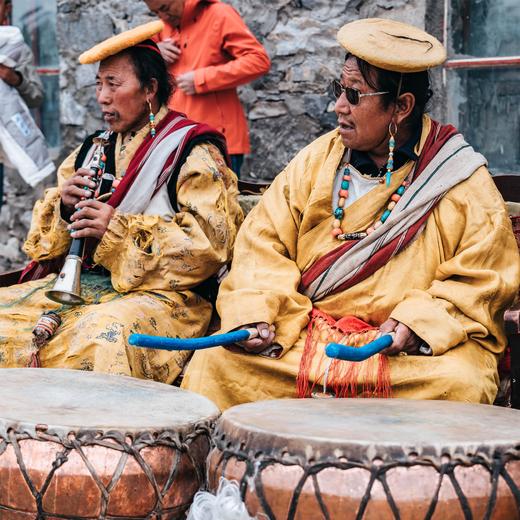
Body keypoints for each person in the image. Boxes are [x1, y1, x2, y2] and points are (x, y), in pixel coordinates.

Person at [182, 18, 520, 410]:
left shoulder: (459, 177)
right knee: (215, 364)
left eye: (354, 95)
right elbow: (262, 244)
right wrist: (258, 313)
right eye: (337, 90)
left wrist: (418, 322)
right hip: (309, 337)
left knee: (459, 382)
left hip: (400, 356)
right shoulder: (316, 160)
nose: (338, 106)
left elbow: (485, 277)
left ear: (402, 107)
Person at [0, 21, 242, 383]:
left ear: (149, 90)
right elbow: (43, 249)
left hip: (166, 297)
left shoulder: (192, 152)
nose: (102, 96)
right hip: (85, 285)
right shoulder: (93, 149)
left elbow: (210, 245)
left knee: (103, 337)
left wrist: (115, 230)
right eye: (99, 84)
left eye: (114, 84)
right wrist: (64, 208)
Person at [144, 0, 271, 176]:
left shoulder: (219, 14)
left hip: (217, 140)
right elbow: (140, 69)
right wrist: (155, 52)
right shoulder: (160, 28)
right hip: (175, 141)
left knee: (224, 203)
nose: (163, 17)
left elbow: (258, 61)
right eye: (156, 13)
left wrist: (201, 79)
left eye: (165, 8)